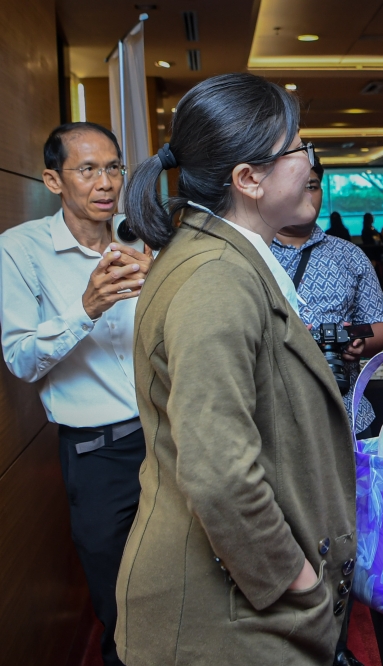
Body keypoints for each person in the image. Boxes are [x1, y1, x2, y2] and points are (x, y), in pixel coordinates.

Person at [115, 72, 357, 665]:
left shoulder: (223, 257)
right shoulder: (216, 278)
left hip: (236, 604)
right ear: (248, 179)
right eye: (299, 148)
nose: (311, 164)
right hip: (227, 615)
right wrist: (293, 581)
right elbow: (219, 470)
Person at [0, 122, 151, 666]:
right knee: (121, 606)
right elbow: (20, 358)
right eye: (88, 169)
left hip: (170, 436)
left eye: (113, 167)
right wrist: (85, 309)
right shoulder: (20, 250)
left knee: (187, 582)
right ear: (53, 180)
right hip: (98, 454)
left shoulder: (141, 240)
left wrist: (160, 287)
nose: (105, 182)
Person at [272, 162, 383, 437]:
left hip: (346, 413)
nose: (305, 193)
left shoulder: (349, 256)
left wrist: (357, 340)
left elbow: (382, 324)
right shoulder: (249, 252)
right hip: (273, 416)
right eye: (295, 185)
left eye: (312, 186)